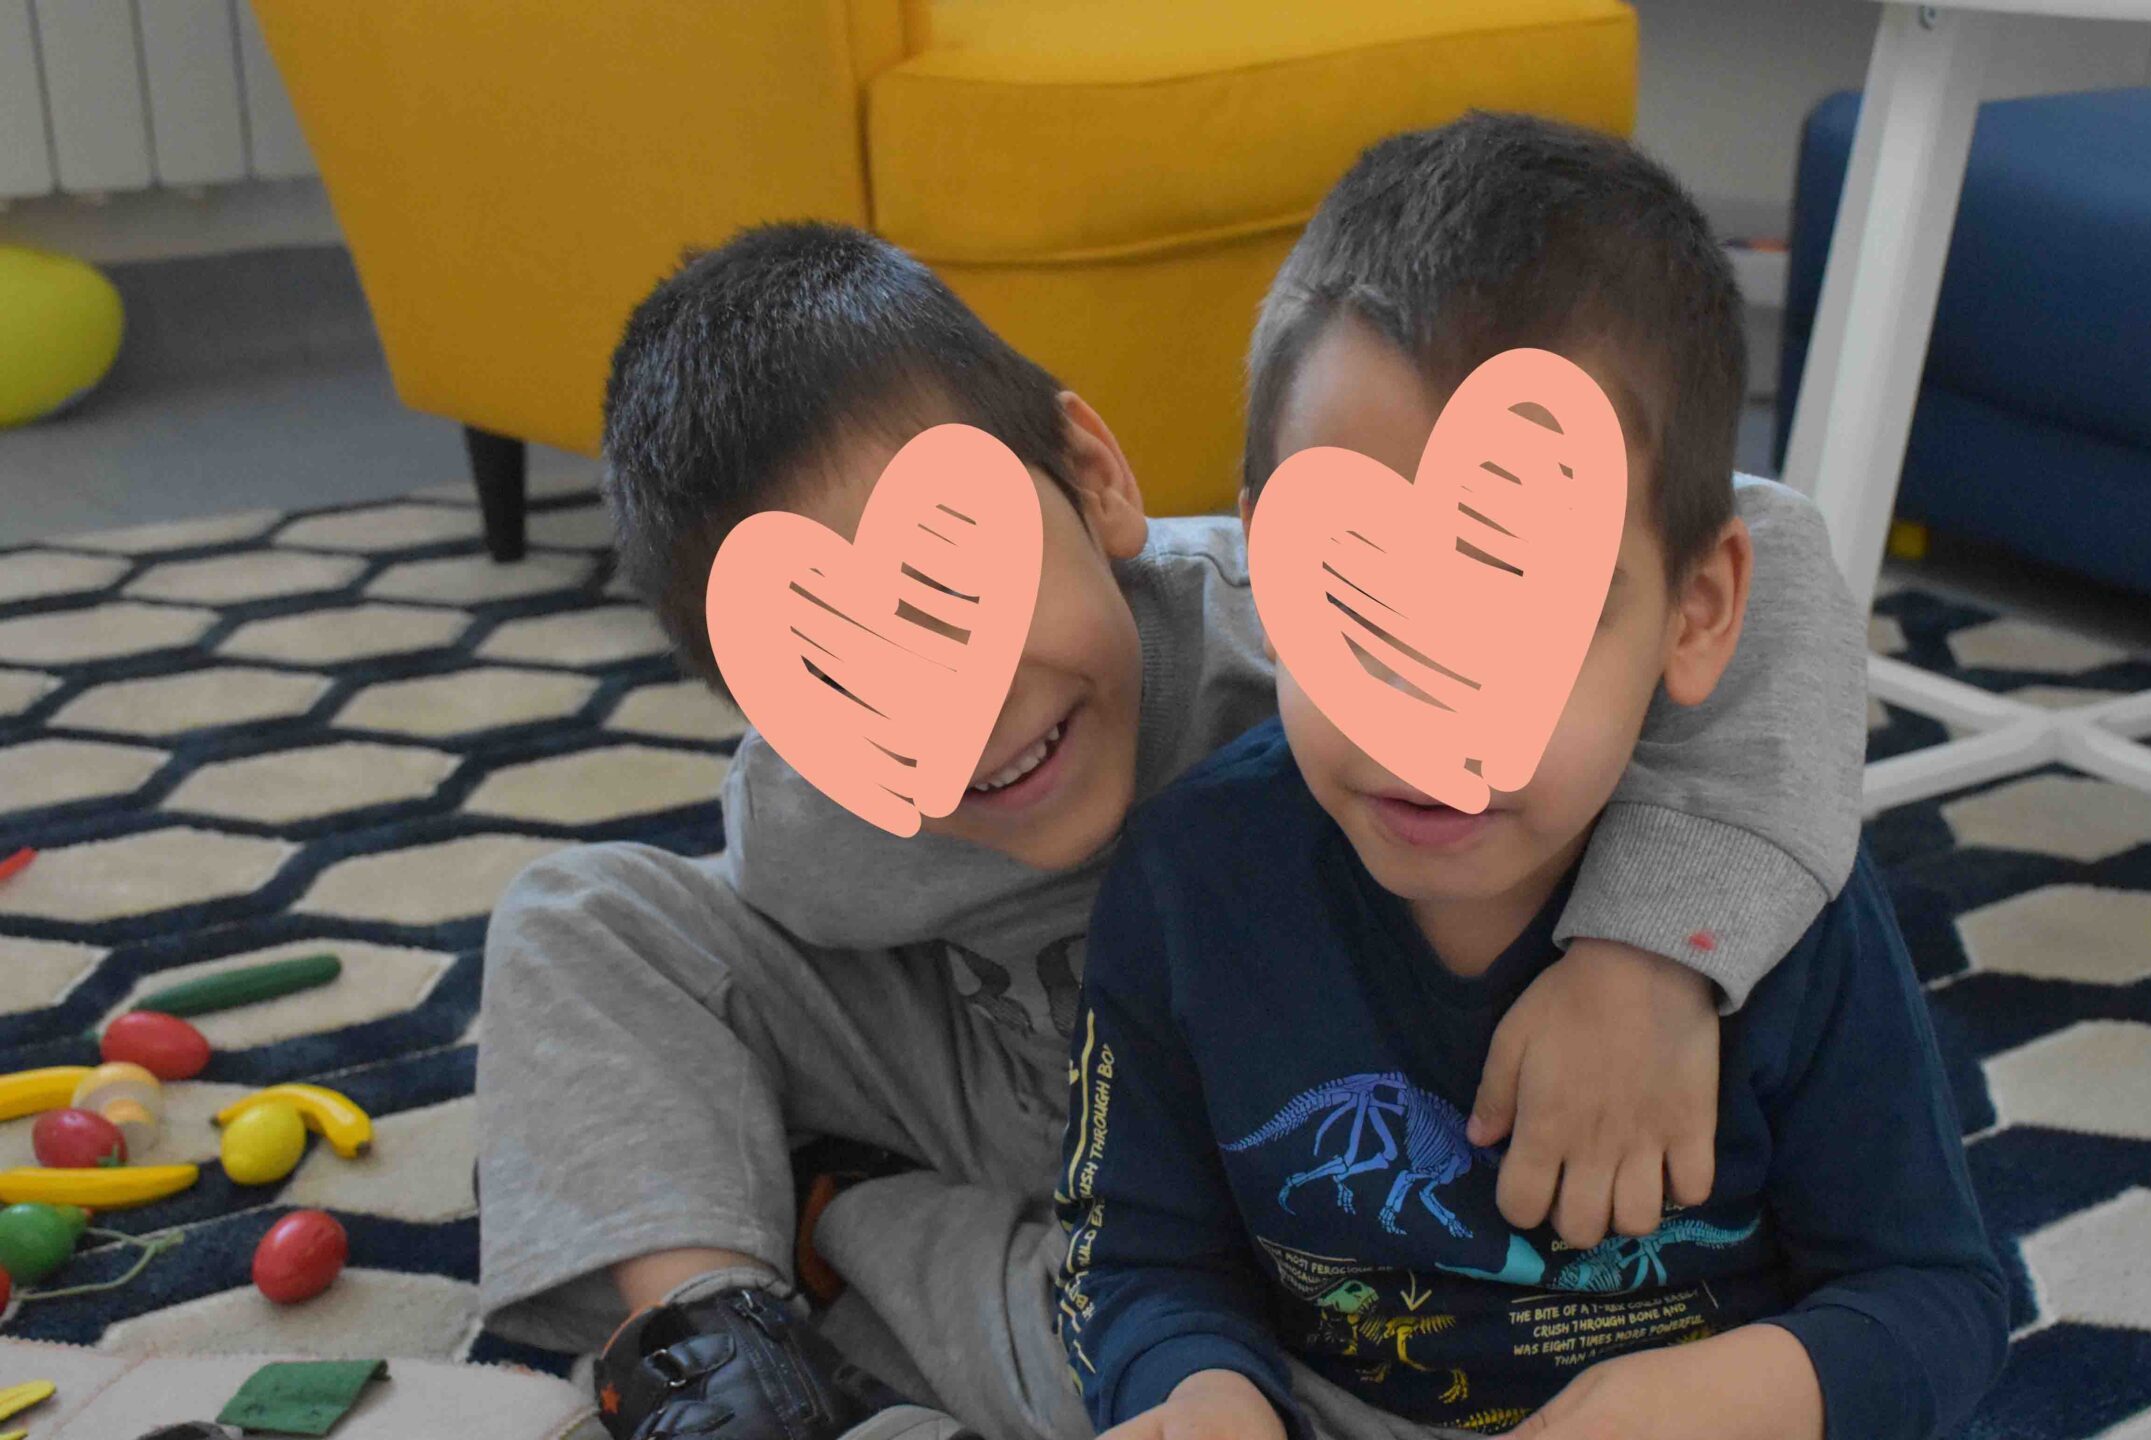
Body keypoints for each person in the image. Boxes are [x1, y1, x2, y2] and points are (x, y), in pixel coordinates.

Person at [475, 191, 1869, 1437]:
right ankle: (720, 1337)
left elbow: (1766, 544)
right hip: (995, 1068)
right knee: (580, 919)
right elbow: (679, 976)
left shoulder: (1298, 618)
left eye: (961, 586)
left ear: (1095, 476)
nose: (958, 709)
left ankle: (859, 1237)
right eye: (840, 668)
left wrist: (1646, 961)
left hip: (1279, 1116)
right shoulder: (804, 821)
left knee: (1291, 1345)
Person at [1056, 112, 2008, 1440]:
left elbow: (1938, 1305)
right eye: (1359, 601)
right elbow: (1142, 1262)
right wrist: (1196, 1395)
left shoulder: (1794, 918)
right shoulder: (1184, 882)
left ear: (1697, 610)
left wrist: (1698, 1405)